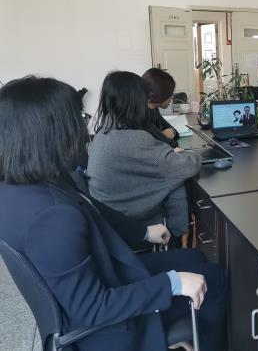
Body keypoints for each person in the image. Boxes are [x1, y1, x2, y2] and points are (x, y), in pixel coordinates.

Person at [0, 76, 226, 351]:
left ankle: (188, 334)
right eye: (78, 119)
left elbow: (93, 209)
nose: (83, 129)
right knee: (215, 280)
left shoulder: (26, 185)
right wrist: (172, 284)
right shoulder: (51, 217)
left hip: (104, 277)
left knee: (194, 258)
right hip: (111, 326)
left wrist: (144, 232)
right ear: (51, 131)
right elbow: (93, 308)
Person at [87, 71, 201, 236]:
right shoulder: (135, 139)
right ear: (136, 99)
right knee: (175, 181)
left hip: (108, 215)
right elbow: (189, 165)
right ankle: (176, 234)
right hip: (128, 221)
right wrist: (191, 154)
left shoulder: (104, 130)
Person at [142, 68, 179, 148]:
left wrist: (168, 133)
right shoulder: (141, 114)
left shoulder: (154, 108)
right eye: (170, 93)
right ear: (160, 93)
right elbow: (171, 143)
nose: (172, 97)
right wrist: (162, 135)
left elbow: (175, 133)